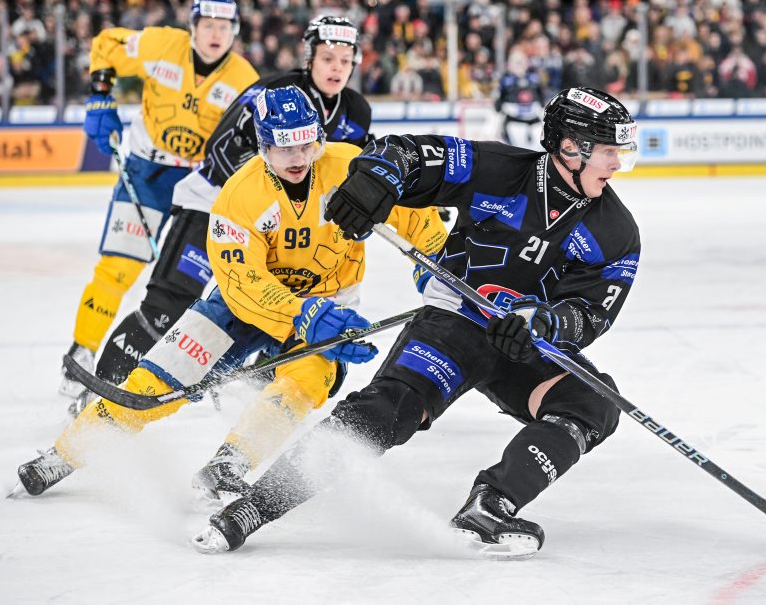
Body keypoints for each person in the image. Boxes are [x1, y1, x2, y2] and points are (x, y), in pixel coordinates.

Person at [192, 87, 642, 558]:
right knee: (386, 412)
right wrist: (376, 180)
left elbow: (592, 312)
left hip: (522, 343)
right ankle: (251, 508)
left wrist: (545, 323)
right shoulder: (500, 170)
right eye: (608, 151)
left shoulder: (615, 231)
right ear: (570, 147)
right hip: (455, 322)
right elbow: (403, 153)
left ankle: (490, 506)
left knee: (593, 402)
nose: (616, 164)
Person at [14, 86, 447, 499]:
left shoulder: (351, 167)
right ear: (263, 145)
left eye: (306, 144)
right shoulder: (238, 197)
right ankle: (65, 453)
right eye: (285, 148)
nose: (299, 157)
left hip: (329, 304)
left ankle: (230, 463)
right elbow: (244, 285)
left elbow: (415, 215)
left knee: (306, 381)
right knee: (158, 379)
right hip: (242, 307)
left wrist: (437, 265)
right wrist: (301, 313)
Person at [76, 15, 373, 417]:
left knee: (283, 312)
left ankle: (257, 389)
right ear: (309, 58)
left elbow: (346, 172)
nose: (336, 68)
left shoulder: (356, 111)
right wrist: (267, 197)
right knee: (169, 306)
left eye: (345, 60)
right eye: (327, 58)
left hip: (284, 230)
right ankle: (104, 395)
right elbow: (219, 149)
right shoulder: (271, 91)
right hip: (216, 206)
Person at [57, 0, 259, 406]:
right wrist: (100, 95)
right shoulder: (160, 45)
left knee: (186, 285)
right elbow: (106, 44)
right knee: (118, 267)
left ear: (235, 30)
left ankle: (178, 365)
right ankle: (81, 353)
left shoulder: (245, 80)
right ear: (192, 25)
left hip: (203, 187)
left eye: (224, 26)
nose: (215, 34)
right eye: (208, 25)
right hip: (147, 174)